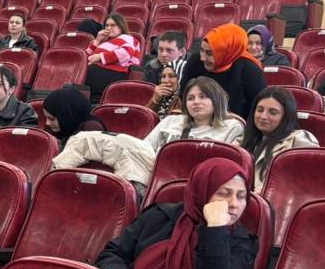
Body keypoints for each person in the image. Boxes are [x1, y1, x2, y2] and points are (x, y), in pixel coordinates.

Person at [95, 159, 257, 269]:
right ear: (202, 192)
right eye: (223, 194)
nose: (234, 204)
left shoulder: (243, 243)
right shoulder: (160, 215)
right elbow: (115, 253)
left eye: (241, 197)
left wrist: (215, 231)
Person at [53, 78, 240, 191]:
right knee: (84, 138)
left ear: (217, 99)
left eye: (203, 97)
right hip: (153, 165)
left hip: (191, 174)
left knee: (124, 148)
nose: (196, 102)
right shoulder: (172, 121)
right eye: (190, 98)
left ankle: (131, 194)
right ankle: (54, 180)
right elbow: (144, 149)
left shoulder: (232, 127)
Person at [179, 23, 267, 120]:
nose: (202, 58)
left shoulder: (250, 70)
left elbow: (258, 108)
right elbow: (184, 95)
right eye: (202, 50)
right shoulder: (195, 62)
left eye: (209, 53)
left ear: (227, 51)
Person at [242, 88, 318, 191]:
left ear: (286, 116)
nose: (263, 116)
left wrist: (266, 192)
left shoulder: (299, 139)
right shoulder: (244, 139)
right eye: (260, 110)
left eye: (273, 112)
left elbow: (305, 184)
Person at [85, 13, 142, 100]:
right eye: (107, 25)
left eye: (113, 25)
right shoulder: (104, 41)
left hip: (117, 73)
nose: (108, 28)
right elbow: (86, 58)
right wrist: (97, 40)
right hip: (99, 74)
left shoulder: (127, 38)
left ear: (121, 27)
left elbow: (125, 53)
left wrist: (100, 57)